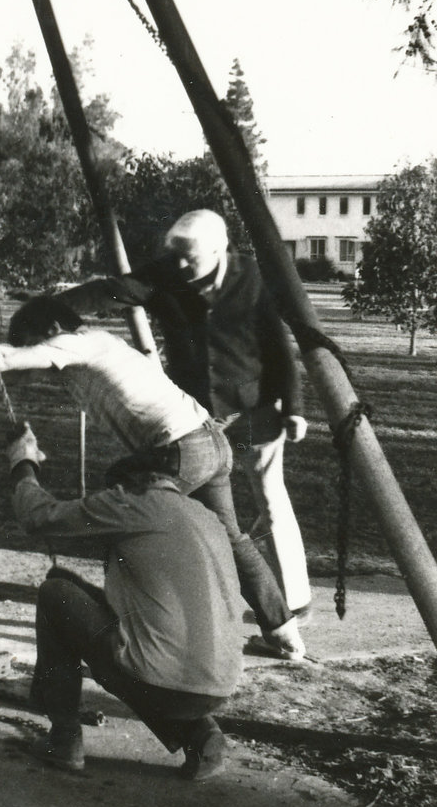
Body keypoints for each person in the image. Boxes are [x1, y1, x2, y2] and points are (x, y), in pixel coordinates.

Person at [0, 293, 306, 661]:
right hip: (208, 441)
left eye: (34, 345)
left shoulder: (81, 343)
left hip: (181, 449)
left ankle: (134, 631)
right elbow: (10, 371)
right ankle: (284, 633)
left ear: (52, 329)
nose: (36, 359)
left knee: (124, 528)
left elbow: (6, 357)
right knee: (230, 537)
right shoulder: (95, 350)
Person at [62, 209, 313, 624]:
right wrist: (54, 307)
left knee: (269, 495)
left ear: (218, 250)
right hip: (197, 419)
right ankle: (203, 595)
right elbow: (112, 290)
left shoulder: (253, 279)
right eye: (173, 256)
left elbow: (280, 349)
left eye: (188, 257)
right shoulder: (168, 275)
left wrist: (296, 409)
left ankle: (294, 601)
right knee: (206, 507)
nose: (178, 266)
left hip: (255, 417)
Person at [3, 422, 241, 779]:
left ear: (127, 484)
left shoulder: (134, 502)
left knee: (55, 596)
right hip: (216, 688)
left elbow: (37, 516)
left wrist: (24, 463)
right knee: (147, 643)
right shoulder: (205, 517)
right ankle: (203, 736)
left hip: (162, 683)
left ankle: (64, 738)